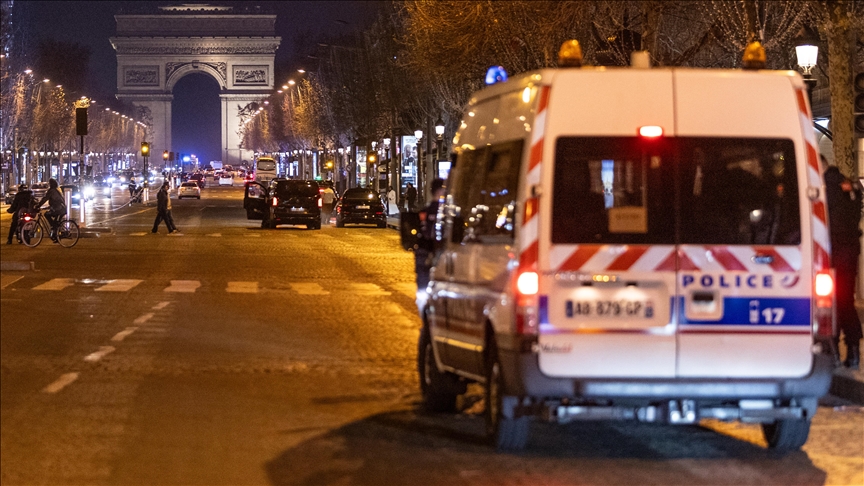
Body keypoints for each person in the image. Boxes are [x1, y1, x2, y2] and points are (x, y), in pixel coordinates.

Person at [824, 161, 863, 369]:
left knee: (831, 302)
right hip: (849, 254)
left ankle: (834, 351)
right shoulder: (849, 186)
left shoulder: (825, 187)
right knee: (845, 300)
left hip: (832, 255)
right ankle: (853, 349)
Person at [414, 178, 446, 290]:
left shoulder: (424, 212)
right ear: (441, 192)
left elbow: (418, 233)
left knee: (423, 282)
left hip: (425, 252)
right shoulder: (447, 214)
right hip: (442, 252)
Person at [36, 178, 66, 242]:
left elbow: (45, 199)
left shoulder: (51, 191)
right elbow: (55, 201)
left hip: (58, 209)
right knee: (55, 222)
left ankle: (54, 228)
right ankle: (55, 234)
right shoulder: (56, 190)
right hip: (61, 208)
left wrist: (38, 205)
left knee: (46, 214)